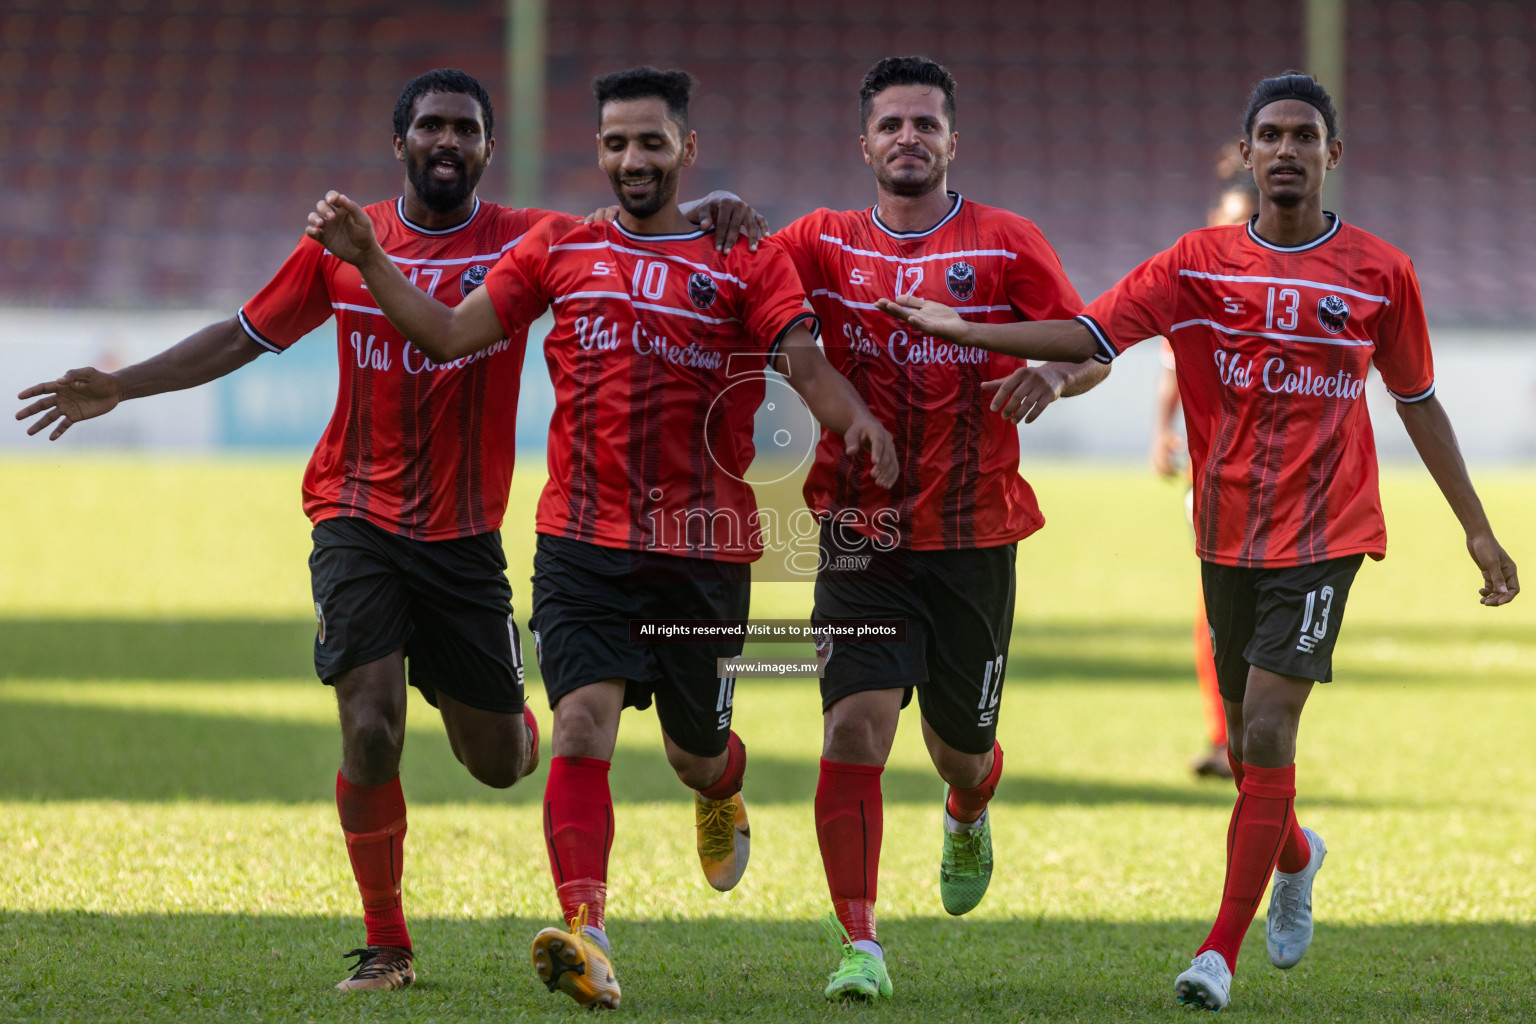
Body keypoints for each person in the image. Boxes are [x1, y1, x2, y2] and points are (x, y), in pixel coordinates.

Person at [14, 67, 765, 994]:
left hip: (463, 539)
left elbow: (642, 234)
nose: (447, 141)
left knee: (500, 762)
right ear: (400, 142)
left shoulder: (539, 239)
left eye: (465, 129)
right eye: (430, 126)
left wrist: (719, 204)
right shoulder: (343, 241)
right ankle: (387, 944)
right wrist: (123, 385)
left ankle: (528, 722)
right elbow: (242, 336)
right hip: (355, 513)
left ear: (489, 149)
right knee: (369, 724)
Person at [879, 72, 1519, 1012]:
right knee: (1261, 761)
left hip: (1327, 531)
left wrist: (1478, 529)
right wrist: (978, 334)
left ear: (1331, 156)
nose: (1289, 150)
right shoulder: (1192, 261)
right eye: (1273, 135)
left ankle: (1218, 951)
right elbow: (1092, 331)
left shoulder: (1382, 271)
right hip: (1224, 536)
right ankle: (1297, 856)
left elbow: (1418, 400)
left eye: (1307, 135)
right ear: (1250, 154)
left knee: (1264, 730)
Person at [304, 65, 897, 1010]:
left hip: (703, 551)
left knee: (696, 751)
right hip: (580, 544)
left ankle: (721, 785)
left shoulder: (742, 257)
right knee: (579, 724)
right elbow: (452, 336)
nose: (633, 159)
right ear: (598, 151)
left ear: (685, 151)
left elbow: (803, 360)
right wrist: (373, 259)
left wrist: (852, 418)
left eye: (652, 142)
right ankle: (588, 933)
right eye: (617, 142)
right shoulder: (560, 249)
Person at [766, 56, 1108, 1000]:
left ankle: (966, 805)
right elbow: (738, 263)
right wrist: (711, 203)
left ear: (953, 141)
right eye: (892, 124)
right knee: (851, 733)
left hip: (972, 534)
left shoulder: (1005, 244)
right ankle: (860, 945)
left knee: (960, 745)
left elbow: (1090, 348)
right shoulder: (820, 243)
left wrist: (1055, 375)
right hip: (858, 532)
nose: (908, 138)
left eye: (926, 124)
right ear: (864, 142)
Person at [1149, 177, 1260, 780]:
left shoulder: (1292, 289)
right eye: (1227, 220)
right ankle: (1230, 740)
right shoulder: (1196, 290)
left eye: (1247, 219)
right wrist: (1159, 431)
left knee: (1259, 608)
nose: (1234, 233)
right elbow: (1172, 364)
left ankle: (1252, 737)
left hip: (1283, 478)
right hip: (1215, 475)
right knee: (1217, 606)